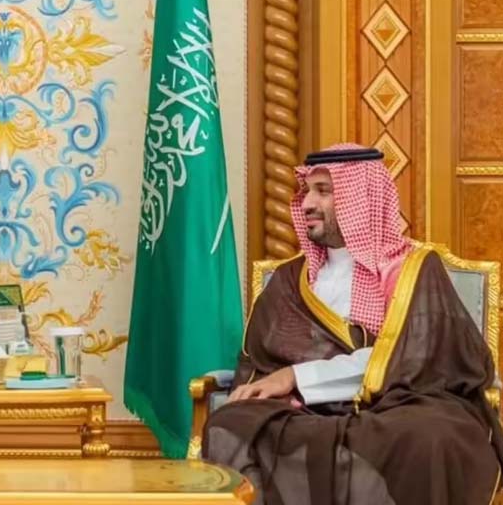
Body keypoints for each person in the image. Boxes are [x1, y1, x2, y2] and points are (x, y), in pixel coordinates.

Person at [203, 143, 503, 504]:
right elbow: (261, 361)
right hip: (305, 409)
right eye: (306, 191)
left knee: (431, 436)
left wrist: (295, 376)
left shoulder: (413, 269)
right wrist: (283, 384)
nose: (307, 203)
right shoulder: (289, 279)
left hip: (399, 404)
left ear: (361, 198)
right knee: (230, 423)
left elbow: (409, 359)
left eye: (323, 191)